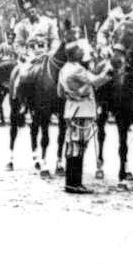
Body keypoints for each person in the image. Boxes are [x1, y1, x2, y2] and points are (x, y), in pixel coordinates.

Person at [57, 38, 113, 194]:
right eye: (79, 50)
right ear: (73, 54)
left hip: (70, 110)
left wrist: (73, 95)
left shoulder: (63, 69)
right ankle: (76, 184)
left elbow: (60, 93)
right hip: (83, 111)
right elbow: (96, 81)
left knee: (72, 146)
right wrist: (109, 71)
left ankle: (70, 183)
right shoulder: (78, 70)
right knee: (80, 147)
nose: (82, 52)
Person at [13, 0, 60, 73]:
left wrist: (51, 52)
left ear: (36, 8)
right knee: (24, 77)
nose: (30, 11)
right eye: (27, 9)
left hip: (47, 54)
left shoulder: (48, 22)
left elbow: (55, 40)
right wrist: (27, 55)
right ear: (24, 12)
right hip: (30, 56)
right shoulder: (20, 26)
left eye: (32, 7)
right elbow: (18, 45)